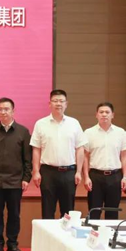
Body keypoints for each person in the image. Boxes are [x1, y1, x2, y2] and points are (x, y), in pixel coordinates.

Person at [0, 97, 31, 251]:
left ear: (13, 111)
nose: (3, 112)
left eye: (6, 109)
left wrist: (26, 178)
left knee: (14, 215)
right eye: (0, 109)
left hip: (15, 181)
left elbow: (27, 158)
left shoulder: (23, 132)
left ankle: (12, 244)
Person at [30, 90, 87, 218]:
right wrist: (36, 171)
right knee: (47, 210)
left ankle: (65, 232)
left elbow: (80, 148)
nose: (58, 104)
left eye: (61, 101)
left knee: (67, 212)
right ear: (49, 104)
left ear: (66, 104)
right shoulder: (40, 124)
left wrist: (79, 171)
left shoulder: (74, 123)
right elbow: (36, 149)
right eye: (55, 101)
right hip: (48, 172)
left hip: (69, 172)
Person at [82, 102, 126, 220]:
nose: (104, 114)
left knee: (112, 213)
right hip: (95, 176)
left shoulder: (120, 132)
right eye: (101, 112)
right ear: (96, 115)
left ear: (112, 115)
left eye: (107, 112)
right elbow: (85, 156)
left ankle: (110, 233)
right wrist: (86, 177)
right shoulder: (89, 133)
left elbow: (124, 156)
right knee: (94, 212)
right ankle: (93, 232)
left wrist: (125, 177)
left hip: (115, 176)